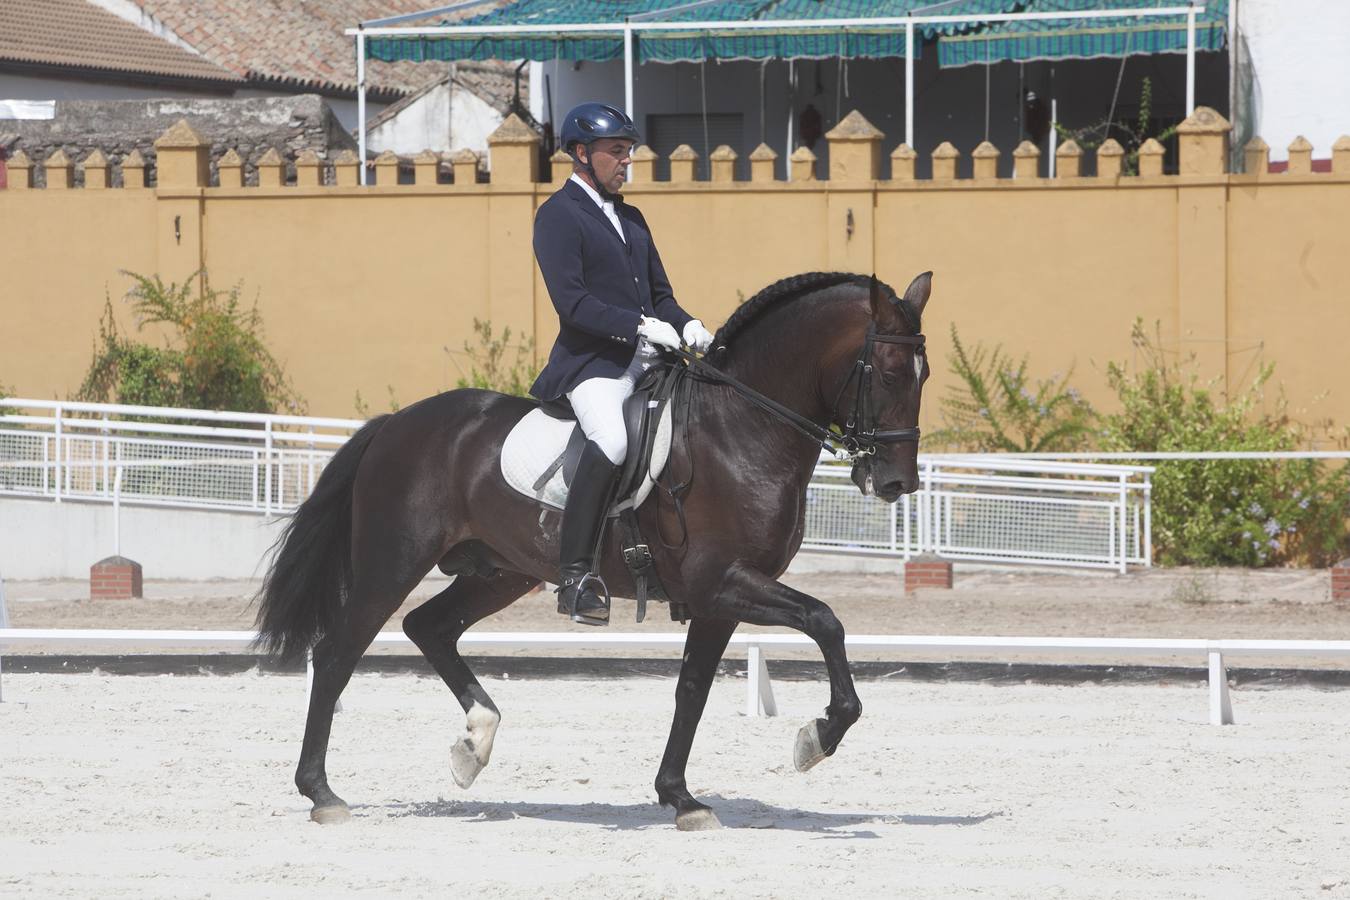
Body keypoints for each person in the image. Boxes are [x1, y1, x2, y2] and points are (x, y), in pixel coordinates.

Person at [530, 101, 714, 626]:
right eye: (617, 151)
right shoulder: (558, 216)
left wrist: (689, 324)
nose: (627, 160)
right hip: (594, 364)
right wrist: (638, 326)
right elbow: (573, 304)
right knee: (611, 440)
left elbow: (661, 297)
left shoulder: (632, 218)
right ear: (581, 153)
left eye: (628, 150)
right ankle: (575, 576)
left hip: (652, 360)